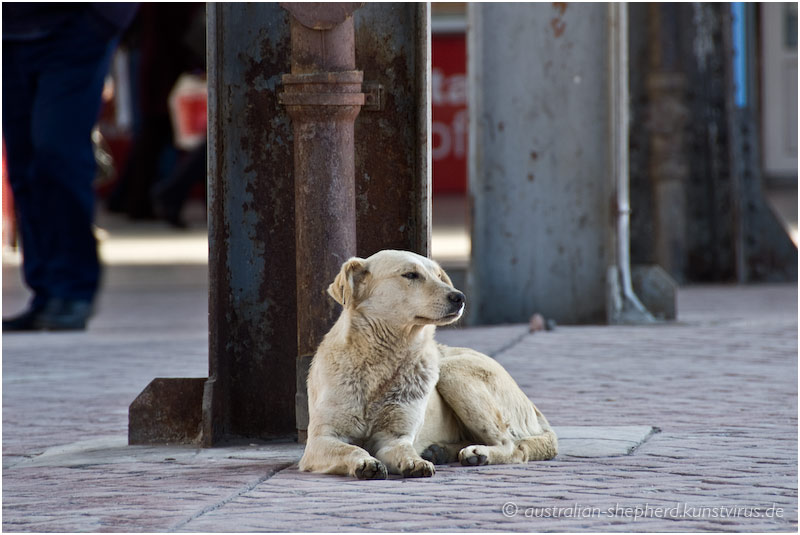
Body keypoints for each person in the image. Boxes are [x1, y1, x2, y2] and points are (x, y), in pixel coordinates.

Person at [2, 3, 138, 331]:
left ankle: (73, 289)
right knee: (25, 163)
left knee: (57, 152)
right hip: (11, 35)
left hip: (75, 29)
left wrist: (104, 19)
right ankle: (46, 291)